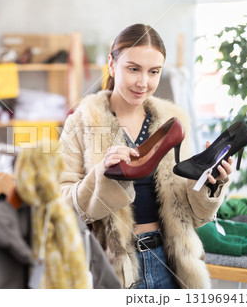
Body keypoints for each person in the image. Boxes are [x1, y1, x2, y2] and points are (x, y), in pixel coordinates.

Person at [59, 23, 233, 289]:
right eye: (133, 69)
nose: (144, 82)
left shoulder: (173, 123)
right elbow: (61, 205)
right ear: (111, 64)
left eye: (154, 72)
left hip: (172, 265)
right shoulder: (81, 122)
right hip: (113, 267)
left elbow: (192, 216)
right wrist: (100, 174)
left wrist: (209, 185)